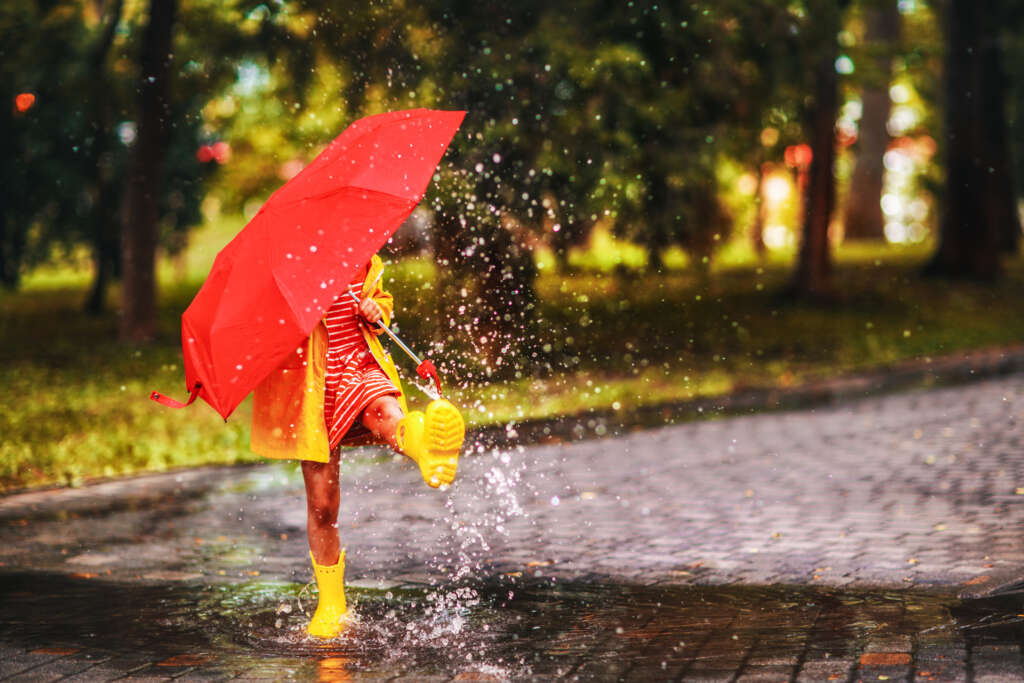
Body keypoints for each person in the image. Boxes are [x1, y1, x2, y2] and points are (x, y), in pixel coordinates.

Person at [250, 253, 465, 639]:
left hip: (358, 364)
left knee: (384, 409)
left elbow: (380, 301)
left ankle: (425, 445)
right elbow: (263, 330)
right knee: (322, 505)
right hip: (311, 387)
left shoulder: (356, 253)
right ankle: (332, 604)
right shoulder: (281, 269)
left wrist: (375, 308)